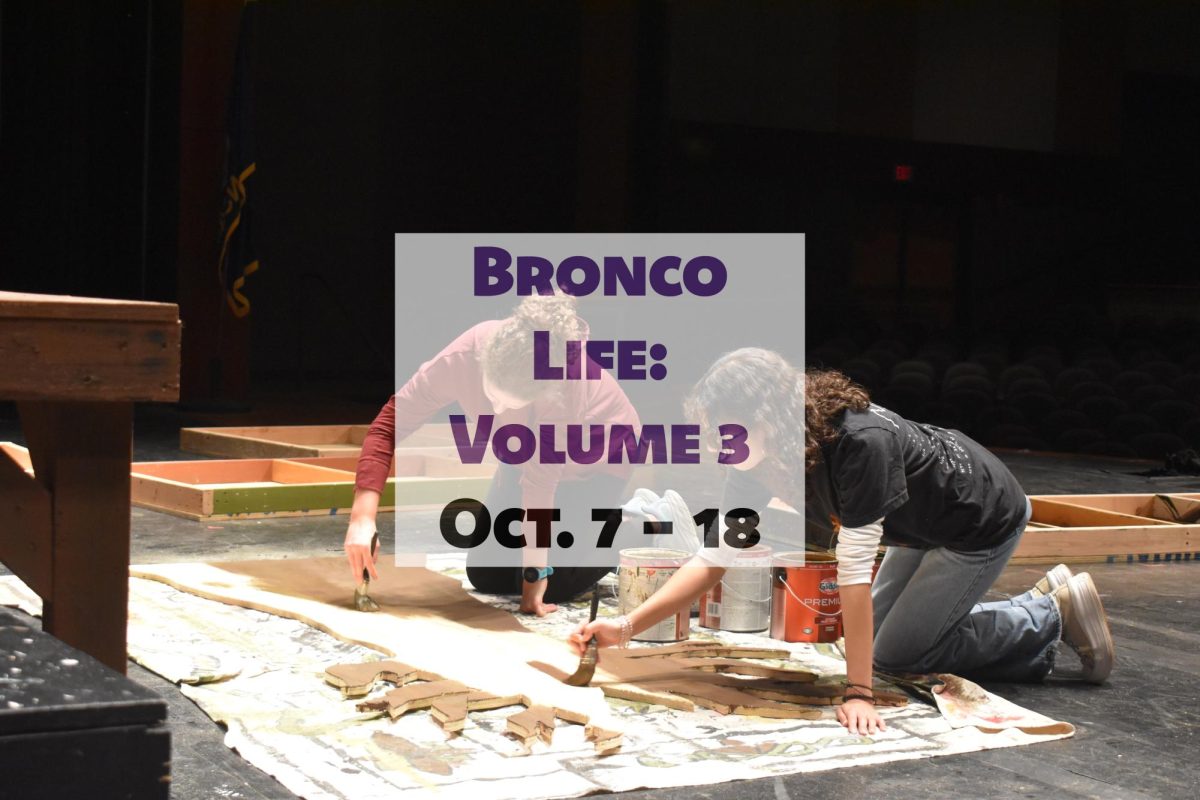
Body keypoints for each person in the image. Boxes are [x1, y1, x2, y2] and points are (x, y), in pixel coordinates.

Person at [571, 348, 1115, 735]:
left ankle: (1046, 614)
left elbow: (851, 577)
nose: (719, 445)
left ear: (767, 418)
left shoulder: (858, 442)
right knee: (876, 645)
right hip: (916, 526)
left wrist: (856, 692)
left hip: (977, 518)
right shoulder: (751, 462)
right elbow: (714, 558)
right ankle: (1034, 609)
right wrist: (625, 627)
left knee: (898, 654)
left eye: (727, 431)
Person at [346, 293, 639, 616]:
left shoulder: (563, 390)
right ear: (484, 361)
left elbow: (539, 487)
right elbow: (389, 426)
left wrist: (535, 579)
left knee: (554, 583)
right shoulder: (462, 356)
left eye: (511, 404)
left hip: (598, 461)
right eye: (492, 395)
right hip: (523, 456)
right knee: (487, 575)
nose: (497, 410)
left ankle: (633, 527)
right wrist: (362, 517)